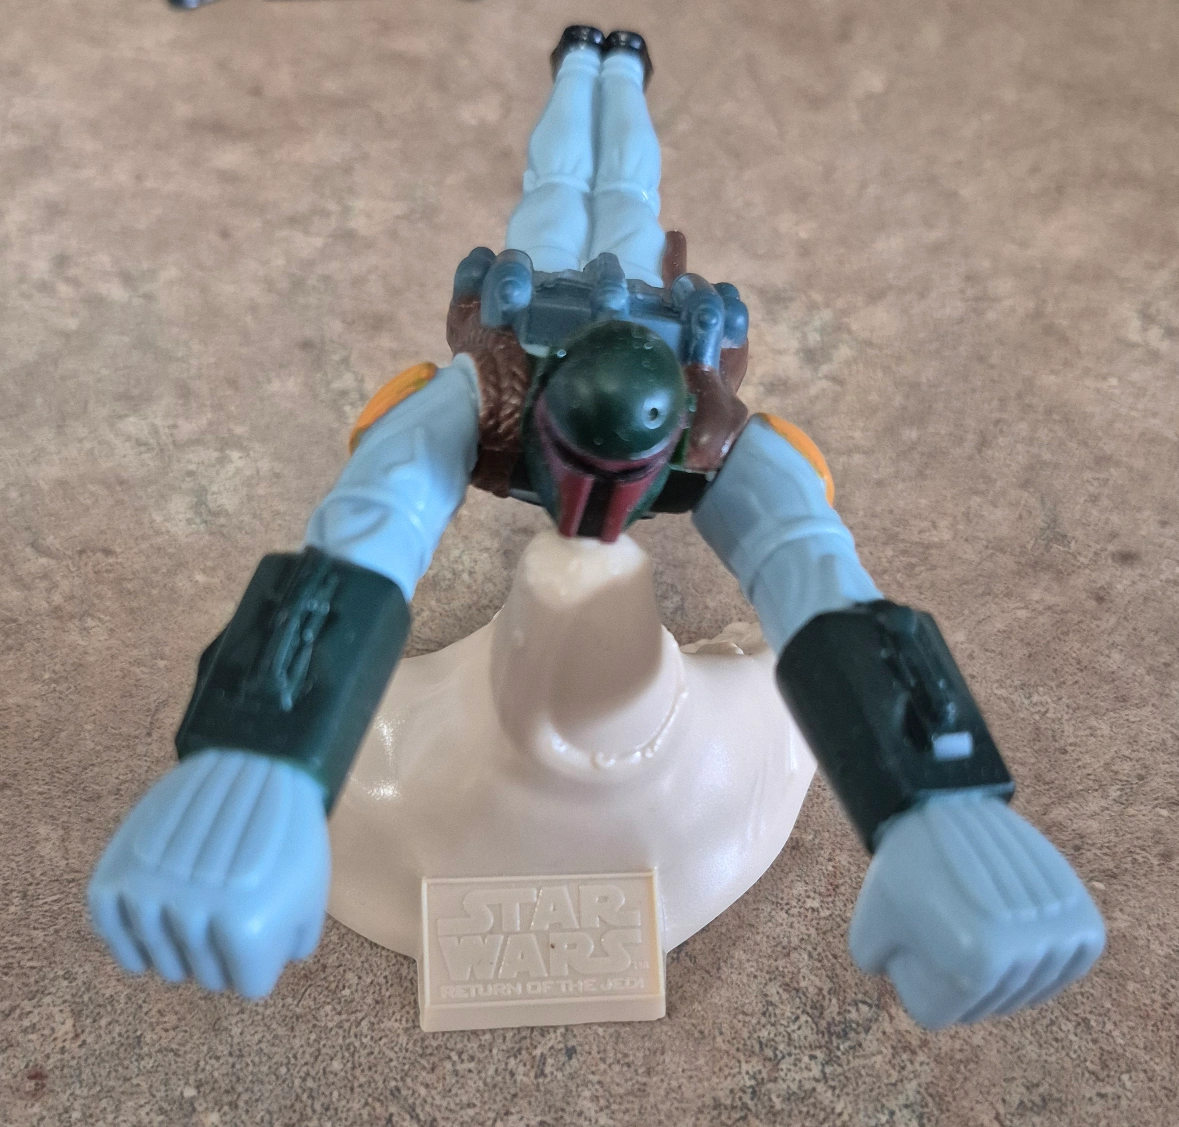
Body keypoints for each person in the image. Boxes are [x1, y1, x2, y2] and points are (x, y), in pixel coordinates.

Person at [89, 28, 1104, 1030]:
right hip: (541, 295)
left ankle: (614, 66)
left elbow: (819, 576)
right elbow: (365, 534)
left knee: (623, 194)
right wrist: (258, 756)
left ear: (660, 446)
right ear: (546, 423)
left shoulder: (701, 423)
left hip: (637, 319)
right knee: (563, 185)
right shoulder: (495, 390)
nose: (597, 499)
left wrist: (937, 803)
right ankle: (585, 62)